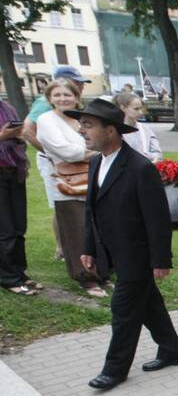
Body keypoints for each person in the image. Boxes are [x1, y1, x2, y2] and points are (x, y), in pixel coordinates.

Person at [70, 99, 178, 391]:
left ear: (111, 130)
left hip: (137, 254)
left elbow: (157, 219)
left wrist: (161, 260)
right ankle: (171, 350)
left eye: (89, 125)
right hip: (112, 252)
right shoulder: (96, 162)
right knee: (148, 305)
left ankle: (115, 370)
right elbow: (91, 211)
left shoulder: (139, 168)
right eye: (81, 124)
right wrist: (89, 248)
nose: (83, 131)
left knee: (123, 311)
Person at [36, 77, 108, 297]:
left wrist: (91, 152)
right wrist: (92, 153)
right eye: (57, 95)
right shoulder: (46, 120)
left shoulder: (80, 119)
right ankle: (86, 279)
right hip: (66, 182)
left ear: (76, 98)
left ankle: (102, 273)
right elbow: (65, 151)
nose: (63, 98)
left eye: (67, 94)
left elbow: (98, 141)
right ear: (50, 98)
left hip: (91, 179)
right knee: (76, 229)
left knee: (96, 228)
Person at [0, 97, 38, 296]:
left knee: (18, 226)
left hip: (15, 170)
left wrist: (17, 135)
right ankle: (8, 278)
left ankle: (19, 272)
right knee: (5, 229)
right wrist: (3, 135)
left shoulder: (7, 107)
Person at [113, 92, 163, 163]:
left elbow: (159, 154)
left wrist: (152, 158)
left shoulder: (145, 129)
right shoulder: (115, 131)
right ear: (123, 108)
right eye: (136, 109)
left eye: (141, 108)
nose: (141, 112)